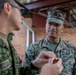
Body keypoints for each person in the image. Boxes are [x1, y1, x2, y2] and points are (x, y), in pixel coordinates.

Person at [0, 0, 63, 75]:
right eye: (21, 11)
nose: (22, 17)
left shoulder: (7, 42)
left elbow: (18, 72)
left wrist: (35, 65)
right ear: (7, 8)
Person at [25, 9, 76, 75]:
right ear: (46, 26)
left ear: (62, 28)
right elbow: (24, 72)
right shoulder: (33, 48)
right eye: (50, 23)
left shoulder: (72, 50)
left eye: (57, 25)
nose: (52, 27)